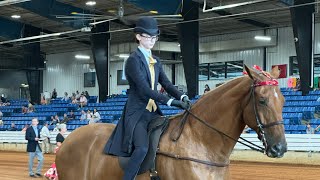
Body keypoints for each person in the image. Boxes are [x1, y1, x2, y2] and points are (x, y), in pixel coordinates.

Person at [104, 17, 190, 180]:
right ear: (138, 37)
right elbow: (144, 90)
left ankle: (154, 172)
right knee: (142, 148)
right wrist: (171, 102)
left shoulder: (156, 60)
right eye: (148, 37)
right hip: (137, 113)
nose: (152, 40)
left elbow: (166, 82)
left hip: (153, 112)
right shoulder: (132, 61)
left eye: (154, 37)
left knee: (164, 143)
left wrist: (182, 96)